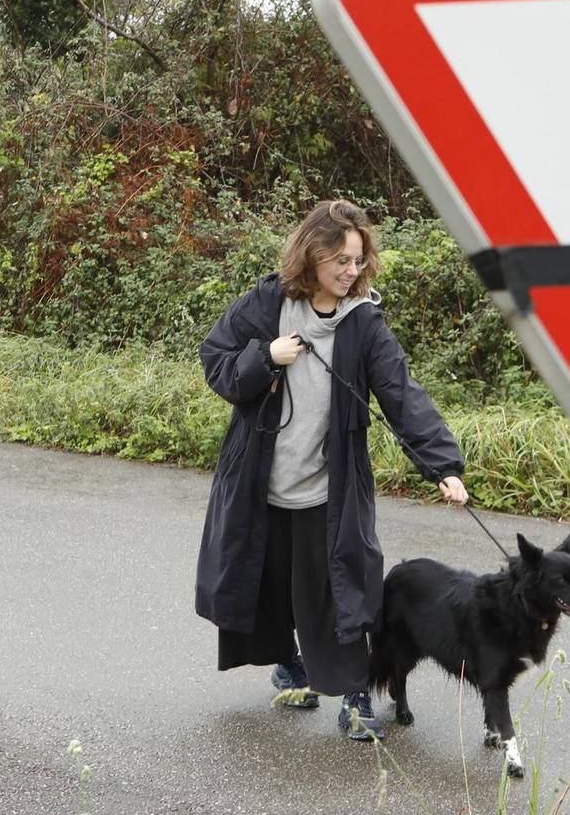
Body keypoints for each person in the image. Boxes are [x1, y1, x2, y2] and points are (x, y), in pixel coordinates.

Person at [195, 199, 468, 742]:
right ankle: (291, 666)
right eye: (341, 260)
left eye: (358, 260)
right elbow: (216, 362)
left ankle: (355, 694)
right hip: (259, 483)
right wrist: (265, 357)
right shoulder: (267, 302)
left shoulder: (364, 322)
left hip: (329, 488)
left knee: (340, 590)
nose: (351, 271)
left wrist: (442, 464)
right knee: (266, 585)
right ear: (311, 254)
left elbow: (401, 393)